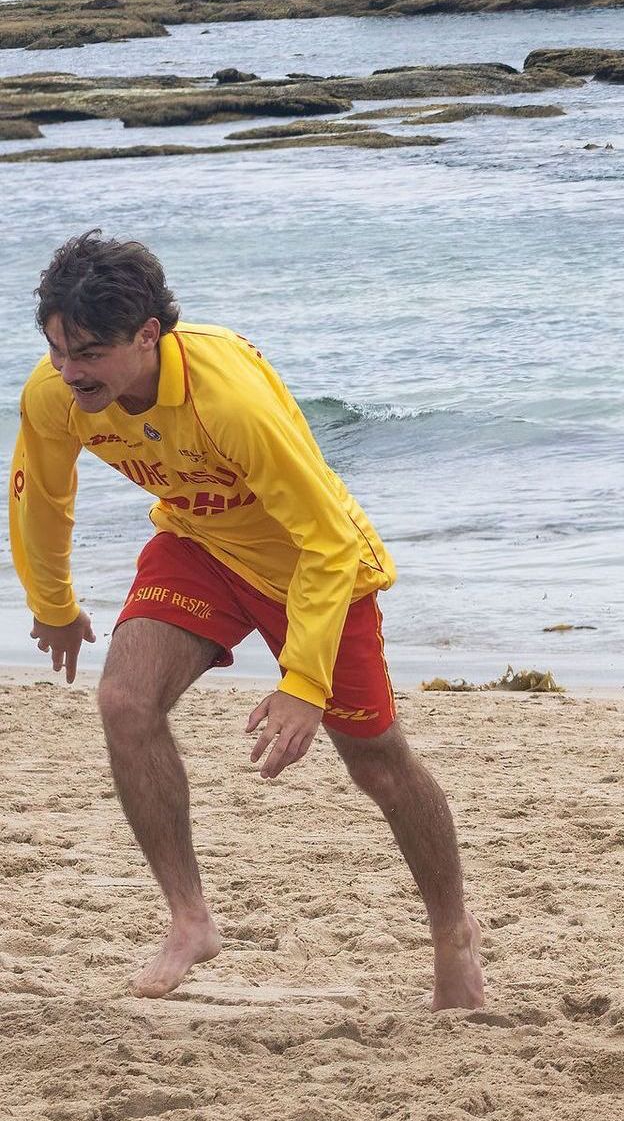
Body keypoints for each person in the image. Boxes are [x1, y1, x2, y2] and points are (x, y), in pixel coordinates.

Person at [8, 232, 483, 1007]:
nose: (70, 372)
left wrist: (303, 681)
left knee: (378, 764)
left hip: (313, 566)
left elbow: (327, 539)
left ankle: (452, 931)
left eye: (89, 353)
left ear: (147, 336)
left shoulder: (226, 401)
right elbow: (41, 496)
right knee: (125, 702)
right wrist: (52, 604)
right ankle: (190, 919)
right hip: (200, 543)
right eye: (58, 349)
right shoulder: (56, 396)